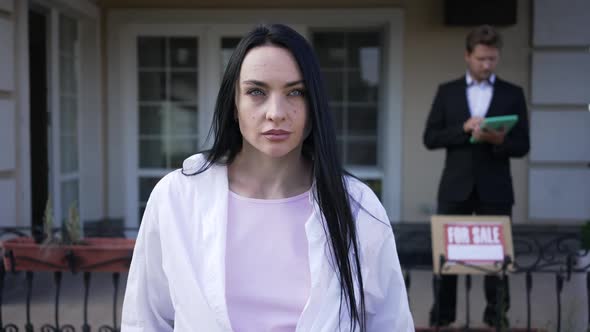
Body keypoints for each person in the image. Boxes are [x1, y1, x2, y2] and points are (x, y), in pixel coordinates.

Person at [122, 24, 414, 332]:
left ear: (313, 106)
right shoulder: (176, 197)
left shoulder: (357, 207)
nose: (276, 112)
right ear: (234, 105)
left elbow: (390, 322)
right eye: (256, 92)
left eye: (295, 92)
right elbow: (145, 320)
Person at [423, 25, 530, 327]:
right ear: (468, 56)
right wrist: (463, 129)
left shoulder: (513, 93)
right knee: (447, 260)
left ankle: (497, 318)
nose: (487, 65)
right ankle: (442, 319)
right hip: (455, 188)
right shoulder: (448, 92)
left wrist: (500, 142)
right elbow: (430, 137)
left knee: (497, 261)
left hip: (496, 189)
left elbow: (523, 145)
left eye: (492, 59)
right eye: (481, 58)